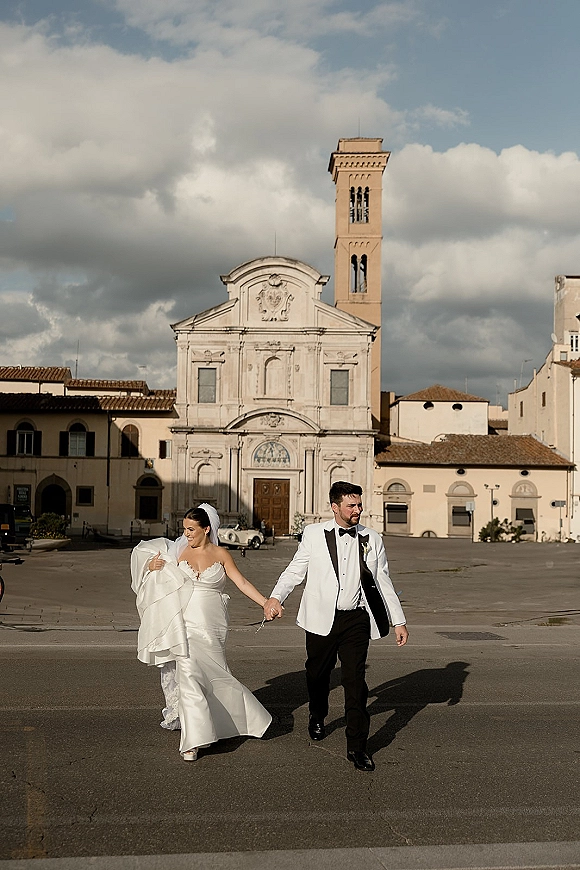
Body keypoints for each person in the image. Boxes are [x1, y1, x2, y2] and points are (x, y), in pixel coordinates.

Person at [263, 481, 408, 772]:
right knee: (317, 675)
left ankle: (357, 747)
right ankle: (318, 714)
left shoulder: (372, 538)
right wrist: (276, 597)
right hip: (320, 617)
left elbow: (382, 579)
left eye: (359, 504)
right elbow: (296, 569)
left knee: (356, 684)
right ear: (335, 506)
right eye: (352, 505)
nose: (358, 510)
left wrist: (398, 619)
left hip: (356, 619)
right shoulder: (314, 534)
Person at [131, 503, 272, 761]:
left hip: (213, 625)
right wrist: (151, 568)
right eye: (184, 529)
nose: (186, 534)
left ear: (207, 529)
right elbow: (148, 567)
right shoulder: (178, 552)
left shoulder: (221, 555)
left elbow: (240, 582)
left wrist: (265, 603)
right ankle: (193, 740)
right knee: (188, 675)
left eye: (191, 529)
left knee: (215, 676)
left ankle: (228, 721)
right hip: (184, 624)